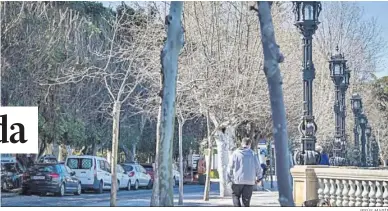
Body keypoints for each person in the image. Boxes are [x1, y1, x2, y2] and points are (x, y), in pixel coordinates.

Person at [227, 138, 262, 207]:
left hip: (237, 180)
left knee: (235, 196)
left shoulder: (235, 153)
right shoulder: (253, 154)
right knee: (246, 201)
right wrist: (259, 178)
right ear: (249, 144)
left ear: (241, 143)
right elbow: (258, 167)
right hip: (249, 181)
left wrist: (229, 179)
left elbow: (230, 167)